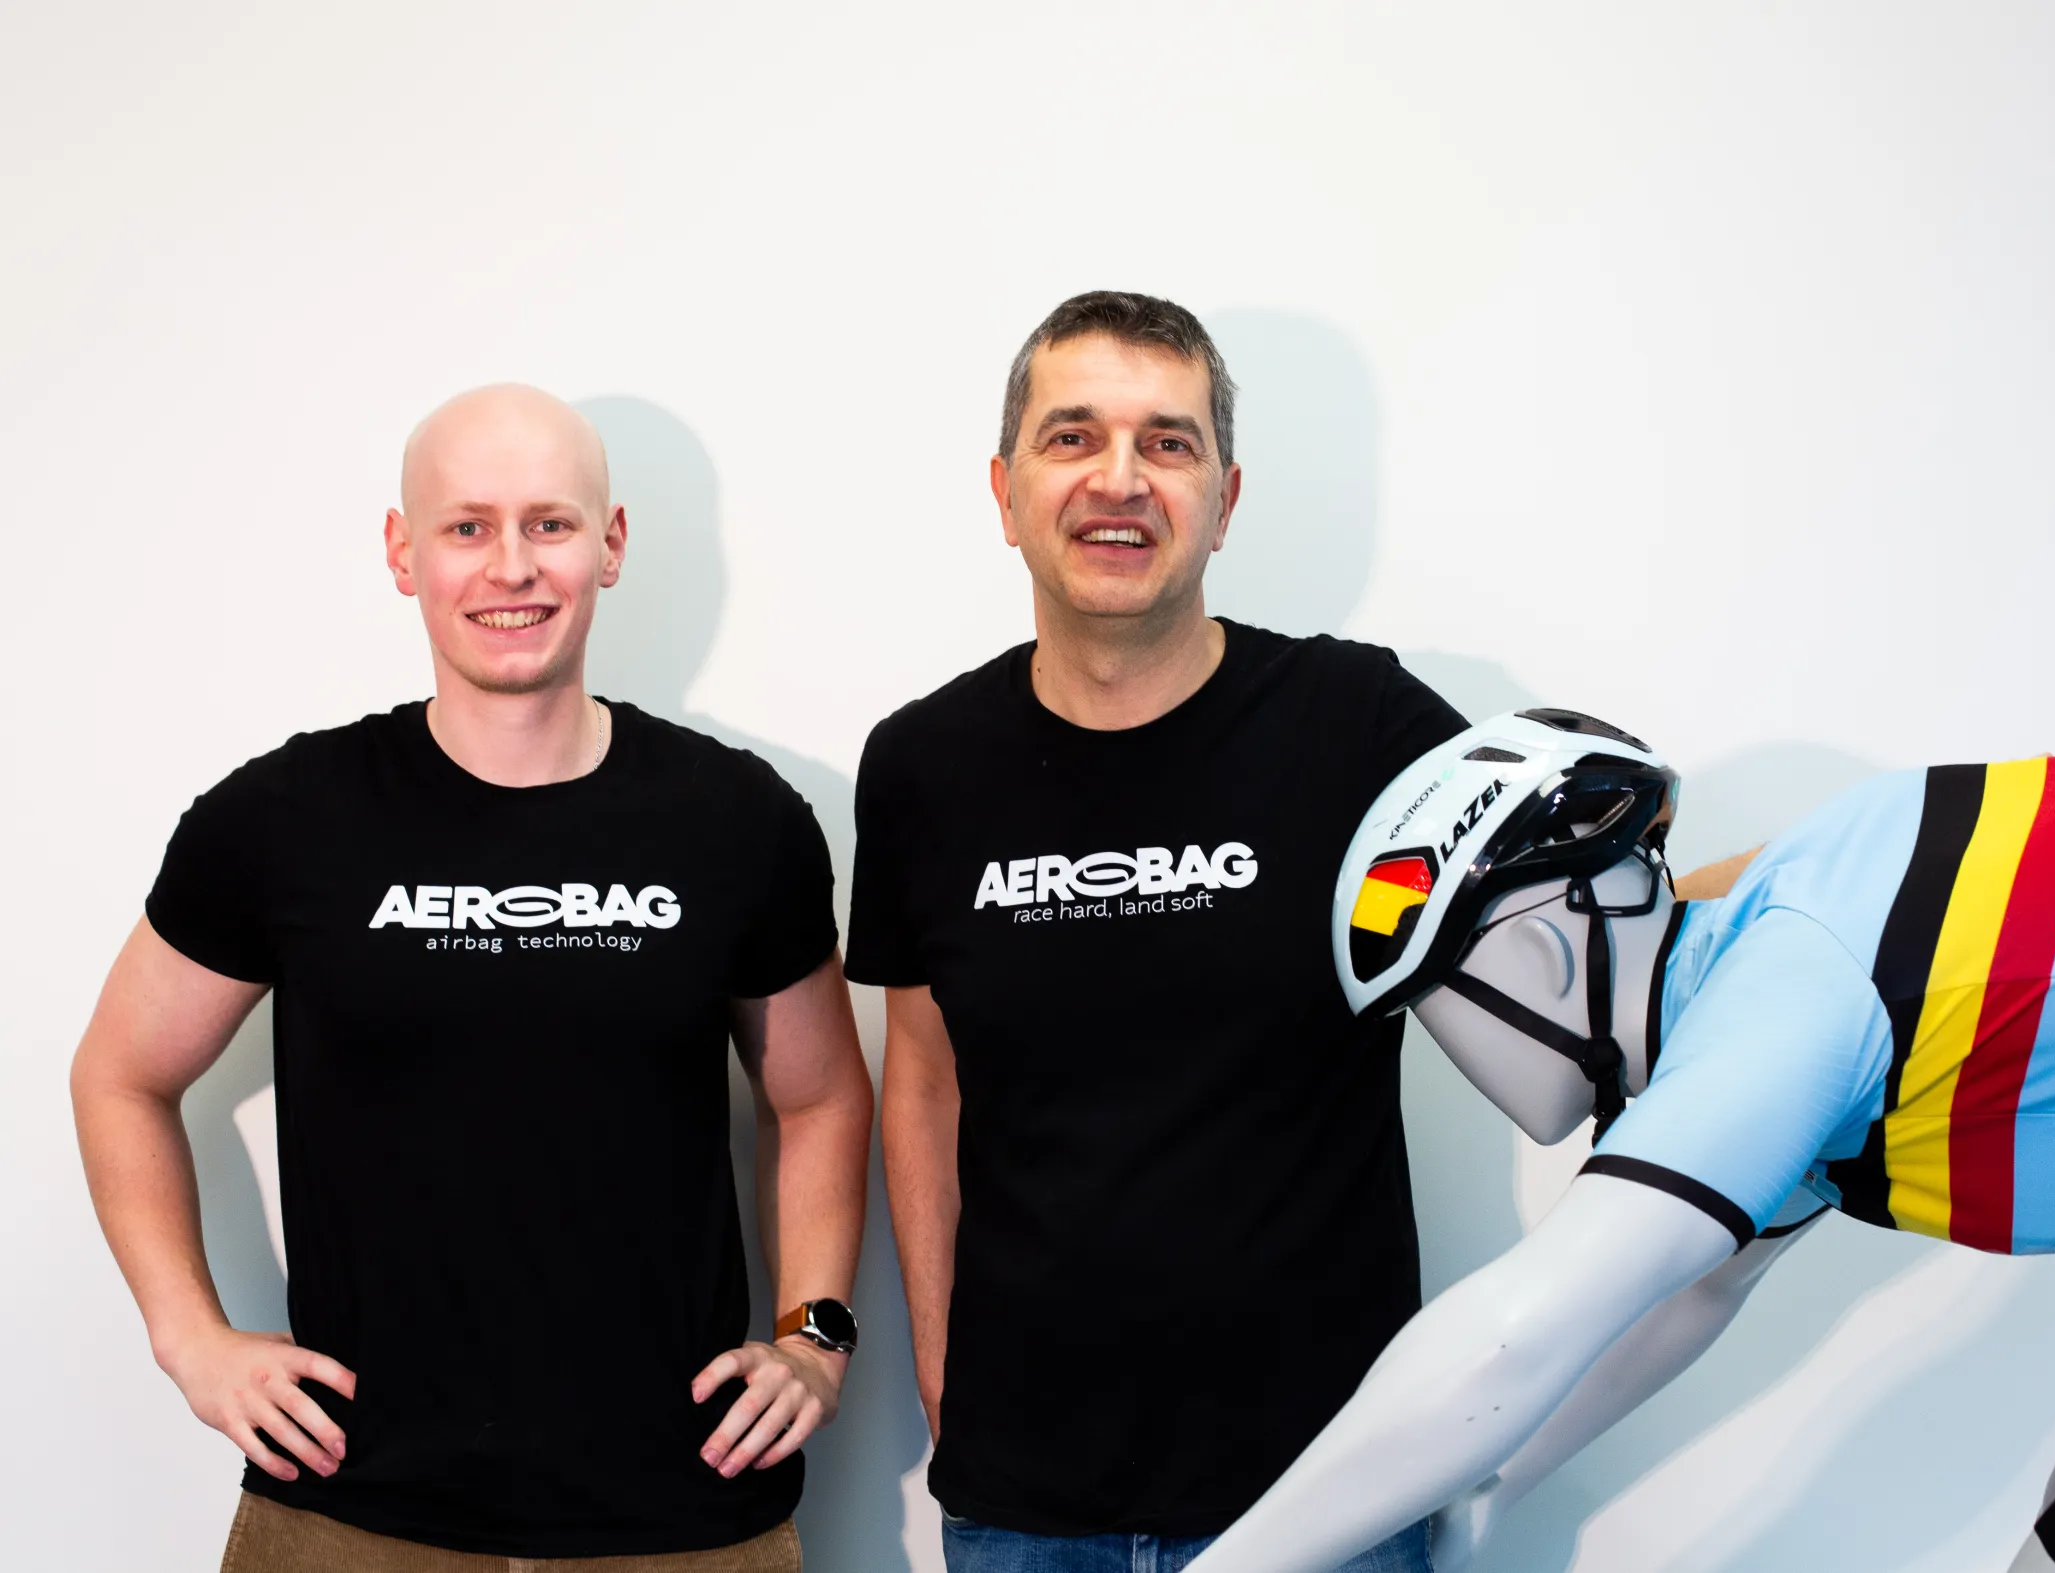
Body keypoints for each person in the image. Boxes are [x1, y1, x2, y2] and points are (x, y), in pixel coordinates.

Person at [1189, 710, 2055, 1573]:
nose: (1450, 1050)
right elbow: (1687, 1292)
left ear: (1536, 954)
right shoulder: (1781, 937)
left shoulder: (1786, 994)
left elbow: (1513, 1336)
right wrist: (1485, 1482)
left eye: (1435, 1003)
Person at [68, 385, 874, 1570]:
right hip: (348, 1510)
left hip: (681, 1515)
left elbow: (819, 1099)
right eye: (467, 527)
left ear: (610, 544)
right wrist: (189, 1339)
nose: (512, 567)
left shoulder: (735, 821)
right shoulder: (285, 820)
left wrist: (818, 1338)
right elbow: (118, 1074)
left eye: (550, 523)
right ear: (405, 552)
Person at [847, 291, 1469, 1573]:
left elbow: (1577, 926)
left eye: (1167, 443)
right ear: (1005, 488)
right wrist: (944, 1371)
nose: (1117, 480)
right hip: (1026, 1506)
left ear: (1225, 497)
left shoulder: (1359, 725)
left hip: (1327, 1491)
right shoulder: (922, 764)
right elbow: (921, 1076)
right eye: (1071, 437)